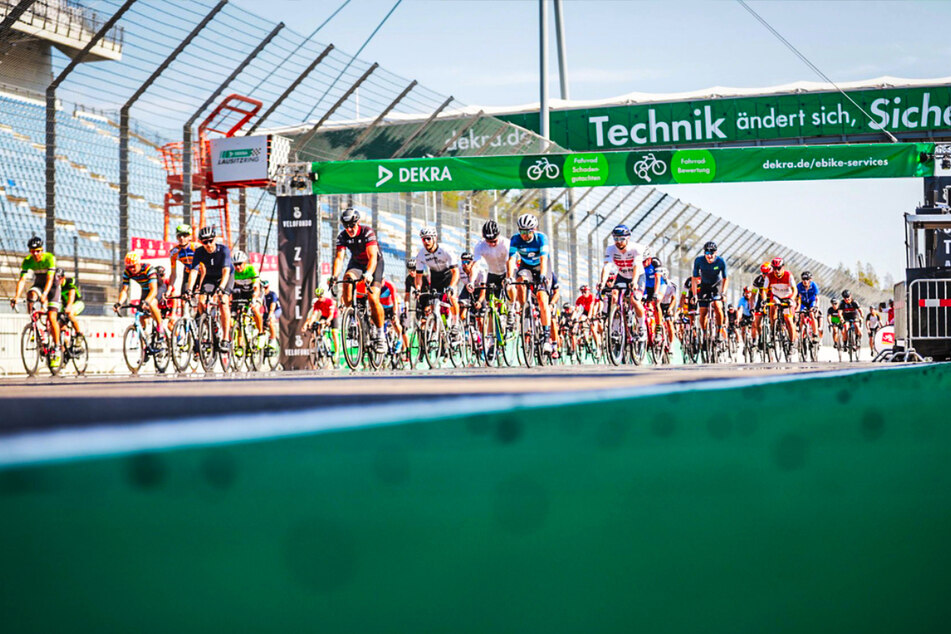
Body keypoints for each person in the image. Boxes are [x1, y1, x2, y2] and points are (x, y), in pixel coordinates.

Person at [329, 208, 387, 352]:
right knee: (347, 278)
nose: (349, 229)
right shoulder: (342, 236)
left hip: (374, 263)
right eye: (346, 226)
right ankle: (353, 317)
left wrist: (368, 273)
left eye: (352, 225)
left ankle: (380, 336)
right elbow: (339, 258)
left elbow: (372, 257)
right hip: (356, 264)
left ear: (358, 222)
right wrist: (334, 276)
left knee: (373, 298)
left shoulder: (367, 232)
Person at [11, 237, 62, 367]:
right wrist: (16, 296)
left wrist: (45, 294)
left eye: (38, 251)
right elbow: (22, 281)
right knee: (31, 294)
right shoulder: (27, 261)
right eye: (33, 251)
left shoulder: (49, 258)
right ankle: (35, 325)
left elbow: (50, 279)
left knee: (51, 317)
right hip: (39, 284)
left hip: (53, 287)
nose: (36, 254)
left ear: (42, 250)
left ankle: (56, 348)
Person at [507, 213, 554, 352]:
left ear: (534, 230)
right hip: (526, 266)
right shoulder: (515, 239)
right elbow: (511, 259)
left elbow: (544, 259)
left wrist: (543, 275)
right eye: (522, 231)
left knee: (541, 298)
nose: (524, 235)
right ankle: (524, 308)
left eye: (527, 232)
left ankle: (546, 338)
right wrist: (510, 277)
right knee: (520, 280)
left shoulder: (541, 238)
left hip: (541, 266)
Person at [187, 226, 234, 352]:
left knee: (223, 301)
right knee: (201, 301)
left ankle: (225, 338)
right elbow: (194, 271)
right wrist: (189, 289)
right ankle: (207, 325)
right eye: (204, 242)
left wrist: (221, 289)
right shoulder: (199, 252)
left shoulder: (223, 250)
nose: (208, 244)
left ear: (215, 239)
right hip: (210, 277)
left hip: (225, 277)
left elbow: (226, 271)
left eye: (210, 241)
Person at [600, 224, 647, 338]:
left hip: (638, 276)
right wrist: (602, 282)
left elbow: (636, 266)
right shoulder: (611, 249)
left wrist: (634, 282)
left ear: (628, 238)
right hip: (622, 276)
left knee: (634, 300)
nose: (618, 242)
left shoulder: (636, 248)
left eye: (621, 239)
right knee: (614, 297)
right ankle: (615, 328)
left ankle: (641, 326)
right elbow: (607, 266)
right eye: (616, 239)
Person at [415, 226, 460, 335]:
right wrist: (417, 289)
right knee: (433, 304)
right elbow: (418, 276)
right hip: (435, 277)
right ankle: (438, 330)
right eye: (423, 239)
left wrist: (452, 286)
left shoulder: (445, 250)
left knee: (451, 297)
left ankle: (455, 324)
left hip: (448, 276)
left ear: (435, 238)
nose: (426, 242)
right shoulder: (421, 255)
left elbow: (456, 271)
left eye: (428, 238)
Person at [115, 251, 166, 340]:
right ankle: (145, 340)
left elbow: (153, 290)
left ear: (138, 263)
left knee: (152, 303)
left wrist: (146, 302)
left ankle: (160, 327)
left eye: (133, 266)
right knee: (141, 313)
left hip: (157, 287)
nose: (132, 269)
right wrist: (119, 303)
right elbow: (124, 290)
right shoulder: (127, 272)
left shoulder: (148, 269)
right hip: (145, 289)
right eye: (129, 267)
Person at [472, 219, 514, 324]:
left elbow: (510, 262)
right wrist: (471, 281)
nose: (492, 244)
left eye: (494, 241)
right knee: (490, 306)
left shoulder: (506, 243)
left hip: (505, 271)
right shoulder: (479, 245)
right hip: (492, 273)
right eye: (489, 241)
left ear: (498, 236)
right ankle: (490, 336)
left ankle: (511, 310)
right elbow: (476, 265)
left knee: (510, 287)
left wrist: (509, 278)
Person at [692, 240, 728, 342]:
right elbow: (694, 279)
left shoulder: (721, 261)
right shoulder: (699, 261)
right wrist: (694, 295)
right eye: (707, 253)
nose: (709, 255)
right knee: (703, 312)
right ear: (704, 253)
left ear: (716, 253)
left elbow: (725, 278)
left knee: (717, 305)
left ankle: (719, 330)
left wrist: (723, 293)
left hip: (717, 286)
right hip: (704, 286)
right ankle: (704, 334)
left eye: (712, 252)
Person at [231, 250, 266, 344]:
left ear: (245, 262)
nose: (237, 267)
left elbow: (256, 287)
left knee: (255, 309)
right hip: (242, 293)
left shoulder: (251, 269)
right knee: (238, 318)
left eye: (240, 264)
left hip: (254, 292)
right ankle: (240, 345)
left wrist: (254, 299)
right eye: (235, 264)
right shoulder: (233, 273)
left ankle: (261, 333)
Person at [765, 256, 797, 346]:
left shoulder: (788, 275)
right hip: (776, 297)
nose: (776, 270)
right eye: (774, 268)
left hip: (788, 297)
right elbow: (764, 290)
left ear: (783, 267)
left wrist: (792, 299)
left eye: (779, 268)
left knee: (788, 319)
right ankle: (773, 329)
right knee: (772, 306)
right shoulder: (769, 276)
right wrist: (764, 300)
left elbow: (795, 290)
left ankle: (791, 342)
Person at [302, 286, 338, 361]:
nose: (320, 298)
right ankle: (323, 341)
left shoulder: (329, 301)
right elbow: (314, 315)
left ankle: (336, 352)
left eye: (321, 296)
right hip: (324, 316)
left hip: (333, 316)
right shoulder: (317, 303)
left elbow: (331, 314)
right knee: (320, 327)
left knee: (334, 333)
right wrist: (310, 323)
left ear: (323, 295)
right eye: (318, 296)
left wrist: (328, 320)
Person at [56, 268, 85, 338]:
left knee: (70, 314)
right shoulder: (55, 286)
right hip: (65, 306)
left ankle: (79, 334)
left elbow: (71, 295)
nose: (57, 280)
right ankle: (63, 347)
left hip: (77, 303)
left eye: (59, 278)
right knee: (59, 327)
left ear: (63, 277)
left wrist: (69, 306)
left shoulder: (70, 281)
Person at [796, 270, 820, 342]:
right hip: (803, 302)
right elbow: (797, 298)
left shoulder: (814, 286)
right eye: (803, 279)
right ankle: (800, 332)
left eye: (807, 279)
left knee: (812, 314)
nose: (805, 281)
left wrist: (817, 307)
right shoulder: (799, 286)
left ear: (810, 280)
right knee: (802, 315)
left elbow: (817, 298)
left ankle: (815, 334)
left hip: (811, 302)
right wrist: (797, 309)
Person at [260, 279, 281, 351]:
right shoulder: (260, 296)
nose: (264, 290)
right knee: (260, 324)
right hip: (266, 312)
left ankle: (273, 340)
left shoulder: (272, 294)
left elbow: (273, 307)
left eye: (266, 288)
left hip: (276, 311)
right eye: (263, 288)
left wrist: (270, 316)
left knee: (270, 321)